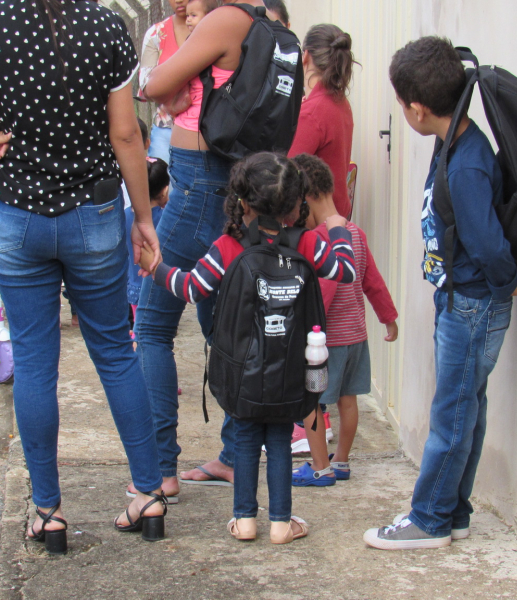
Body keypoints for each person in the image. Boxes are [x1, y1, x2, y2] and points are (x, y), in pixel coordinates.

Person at [0, 0, 169, 551]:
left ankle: (48, 511)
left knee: (37, 363)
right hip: (93, 216)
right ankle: (148, 494)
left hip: (16, 217)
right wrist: (142, 216)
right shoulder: (106, 25)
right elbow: (126, 136)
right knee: (115, 351)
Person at [363, 37, 517, 551]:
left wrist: (510, 282)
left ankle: (431, 518)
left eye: (401, 102)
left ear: (417, 109)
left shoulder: (466, 163)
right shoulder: (456, 141)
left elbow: (486, 241)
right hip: (462, 298)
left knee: (452, 413)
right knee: (466, 408)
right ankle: (454, 509)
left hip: (473, 303)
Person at [138, 152, 357, 543]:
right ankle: (280, 523)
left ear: (242, 203)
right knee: (277, 438)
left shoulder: (227, 246)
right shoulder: (307, 242)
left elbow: (191, 288)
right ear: (296, 204)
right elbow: (346, 269)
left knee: (244, 437)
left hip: (240, 370)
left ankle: (243, 520)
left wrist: (157, 269)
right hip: (291, 370)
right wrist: (336, 227)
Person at [134, 0, 271, 497]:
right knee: (228, 325)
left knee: (151, 327)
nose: (181, 3)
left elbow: (150, 87)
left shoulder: (220, 21)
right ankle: (235, 454)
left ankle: (160, 470)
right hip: (232, 188)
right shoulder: (260, 21)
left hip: (196, 187)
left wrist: (187, 44)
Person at [287, 154, 397, 487]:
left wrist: (301, 327)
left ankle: (320, 467)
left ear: (305, 198)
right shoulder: (355, 232)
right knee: (348, 400)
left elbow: (323, 292)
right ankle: (343, 460)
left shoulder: (322, 238)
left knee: (312, 403)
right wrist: (388, 318)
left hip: (327, 342)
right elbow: (372, 280)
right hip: (356, 339)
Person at [287, 24, 356, 218]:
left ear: (306, 55)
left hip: (313, 222)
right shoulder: (340, 102)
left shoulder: (312, 112)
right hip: (336, 215)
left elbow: (286, 175)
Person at [138, 0, 189, 164]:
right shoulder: (156, 34)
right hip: (166, 127)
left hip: (209, 129)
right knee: (162, 185)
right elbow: (146, 85)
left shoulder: (215, 28)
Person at [126, 157, 169, 333]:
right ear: (165, 190)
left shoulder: (125, 216)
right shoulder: (166, 220)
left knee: (139, 329)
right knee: (155, 334)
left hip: (132, 287)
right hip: (160, 286)